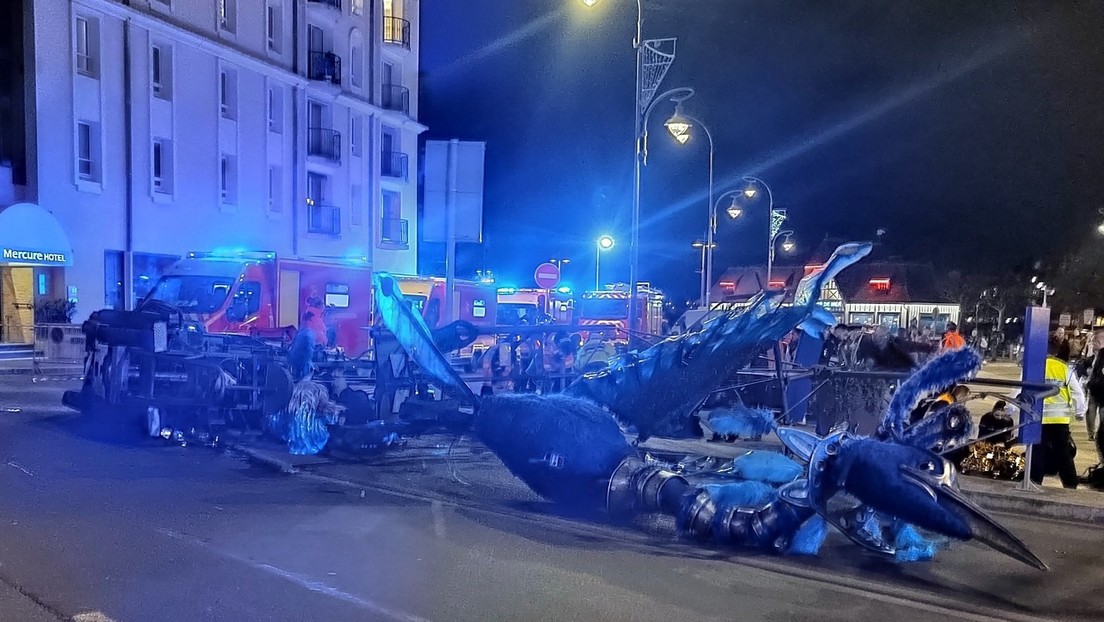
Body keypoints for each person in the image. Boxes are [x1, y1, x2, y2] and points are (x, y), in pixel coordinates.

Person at [1029, 337, 1087, 489]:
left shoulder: (1035, 367)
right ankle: (1070, 483)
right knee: (1064, 454)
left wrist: (1010, 409)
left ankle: (1035, 481)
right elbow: (1077, 392)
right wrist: (1080, 412)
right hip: (1060, 419)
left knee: (1038, 451)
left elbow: (1021, 388)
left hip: (1039, 417)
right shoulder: (1064, 368)